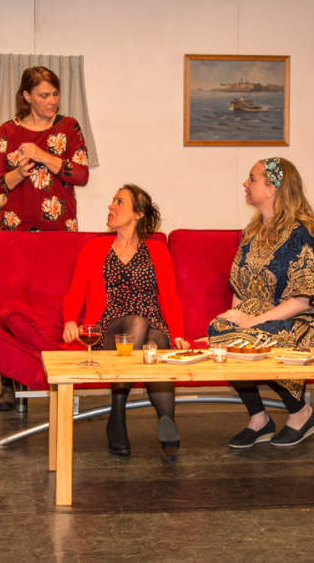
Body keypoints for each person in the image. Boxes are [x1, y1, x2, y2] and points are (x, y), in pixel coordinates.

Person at [208, 158, 314, 449]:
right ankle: (259, 418)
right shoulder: (250, 234)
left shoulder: (301, 233)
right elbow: (240, 290)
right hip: (258, 318)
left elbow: (303, 299)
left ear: (271, 188)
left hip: (300, 321)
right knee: (219, 330)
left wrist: (252, 322)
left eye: (252, 178)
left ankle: (301, 413)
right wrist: (234, 317)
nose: (245, 183)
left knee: (248, 337)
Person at [0, 66, 90, 411]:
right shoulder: (7, 130)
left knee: (58, 300)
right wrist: (19, 172)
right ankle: (10, 380)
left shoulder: (69, 126)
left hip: (60, 231)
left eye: (55, 94)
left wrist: (44, 156)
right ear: (27, 96)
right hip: (14, 231)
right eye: (44, 95)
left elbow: (81, 175)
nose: (51, 100)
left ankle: (61, 371)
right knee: (12, 303)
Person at [61, 185, 189, 462]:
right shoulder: (94, 248)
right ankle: (123, 416)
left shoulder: (158, 251)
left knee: (155, 344)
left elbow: (171, 300)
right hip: (110, 327)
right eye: (112, 201)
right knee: (138, 324)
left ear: (138, 214)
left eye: (119, 202)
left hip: (153, 324)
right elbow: (75, 293)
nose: (111, 206)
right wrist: (70, 320)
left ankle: (161, 422)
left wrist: (178, 334)